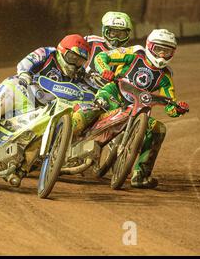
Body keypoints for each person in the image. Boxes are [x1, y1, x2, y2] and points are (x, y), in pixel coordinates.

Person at [0, 34, 91, 172]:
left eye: (80, 61)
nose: (75, 64)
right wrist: (25, 74)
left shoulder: (80, 74)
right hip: (18, 90)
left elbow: (90, 88)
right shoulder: (46, 53)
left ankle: (18, 165)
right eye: (72, 57)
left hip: (39, 108)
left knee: (34, 136)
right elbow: (26, 63)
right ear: (62, 51)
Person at [72, 29, 189, 188]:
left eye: (166, 51)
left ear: (172, 53)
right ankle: (68, 136)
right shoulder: (135, 54)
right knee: (95, 108)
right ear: (149, 46)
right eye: (158, 49)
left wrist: (178, 109)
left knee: (158, 129)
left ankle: (141, 175)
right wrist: (104, 70)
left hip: (137, 109)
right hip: (114, 93)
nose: (161, 55)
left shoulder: (166, 77)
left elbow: (170, 106)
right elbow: (102, 57)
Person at [83, 11, 133, 89]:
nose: (116, 39)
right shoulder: (91, 41)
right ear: (105, 31)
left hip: (107, 95)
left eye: (121, 35)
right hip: (81, 85)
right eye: (113, 34)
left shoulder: (129, 54)